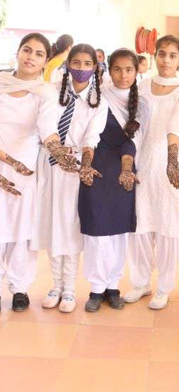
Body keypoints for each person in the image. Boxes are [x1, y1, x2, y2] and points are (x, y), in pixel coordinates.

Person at [0, 33, 79, 312]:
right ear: (18, 52)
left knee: (21, 230)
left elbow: (47, 129)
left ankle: (19, 288)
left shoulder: (45, 93)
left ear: (46, 61)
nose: (30, 57)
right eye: (27, 50)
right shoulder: (1, 83)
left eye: (38, 54)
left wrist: (59, 152)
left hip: (26, 170)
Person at [32, 44, 108, 313]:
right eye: (76, 63)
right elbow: (45, 126)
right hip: (50, 164)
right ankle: (55, 285)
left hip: (76, 168)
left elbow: (92, 137)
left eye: (87, 64)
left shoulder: (99, 101)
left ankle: (70, 289)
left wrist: (83, 165)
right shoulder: (52, 92)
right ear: (68, 64)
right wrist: (58, 153)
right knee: (52, 223)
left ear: (95, 67)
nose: (81, 69)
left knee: (71, 225)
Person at [124, 35, 179, 310]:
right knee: (141, 224)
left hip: (170, 163)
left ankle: (164, 287)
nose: (166, 60)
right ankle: (141, 282)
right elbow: (134, 124)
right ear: (155, 55)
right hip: (141, 161)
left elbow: (177, 124)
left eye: (172, 55)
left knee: (167, 224)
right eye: (162, 54)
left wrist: (171, 160)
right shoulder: (142, 85)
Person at [78, 48, 145, 312]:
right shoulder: (97, 95)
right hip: (96, 167)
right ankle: (96, 289)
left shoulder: (143, 101)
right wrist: (86, 163)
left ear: (136, 71)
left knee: (119, 231)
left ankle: (113, 286)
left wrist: (127, 168)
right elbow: (90, 134)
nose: (123, 75)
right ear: (108, 70)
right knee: (96, 229)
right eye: (117, 69)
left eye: (129, 69)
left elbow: (136, 140)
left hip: (124, 170)